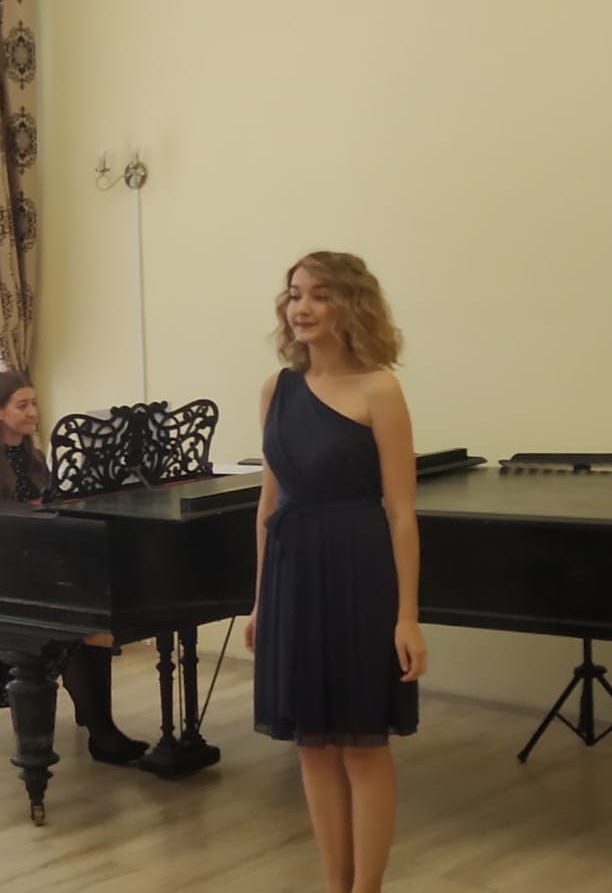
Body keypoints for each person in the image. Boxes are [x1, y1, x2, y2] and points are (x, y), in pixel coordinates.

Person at [245, 251, 427, 893]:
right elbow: (268, 506)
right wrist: (261, 602)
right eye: (295, 293)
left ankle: (367, 888)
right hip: (292, 576)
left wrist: (408, 617)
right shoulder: (277, 389)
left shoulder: (381, 390)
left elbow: (401, 513)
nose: (302, 307)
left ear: (351, 305)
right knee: (313, 745)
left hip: (359, 575)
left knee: (361, 745)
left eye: (320, 294)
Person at [0, 370, 149, 765]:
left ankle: (101, 727)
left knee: (91, 621)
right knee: (67, 631)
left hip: (37, 574)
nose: (33, 413)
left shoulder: (35, 459)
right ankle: (102, 734)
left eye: (34, 404)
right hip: (0, 584)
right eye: (22, 405)